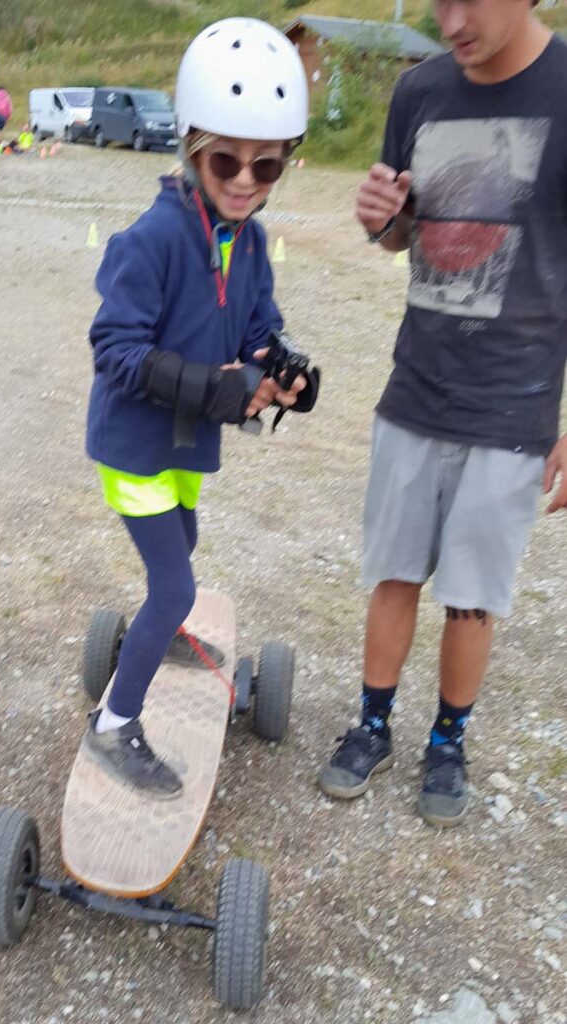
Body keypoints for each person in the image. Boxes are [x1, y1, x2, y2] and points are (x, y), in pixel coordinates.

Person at [318, 0, 567, 827]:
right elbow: (403, 233)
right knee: (392, 574)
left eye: (471, 0)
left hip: (513, 406)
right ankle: (372, 725)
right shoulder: (418, 91)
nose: (451, 21)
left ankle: (447, 742)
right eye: (438, 0)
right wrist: (382, 222)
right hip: (415, 389)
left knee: (470, 597)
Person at [83, 18, 319, 797]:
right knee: (174, 585)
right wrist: (218, 388)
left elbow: (257, 326)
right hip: (134, 445)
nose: (245, 180)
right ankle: (114, 723)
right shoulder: (150, 239)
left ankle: (164, 633)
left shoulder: (247, 241)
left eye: (266, 164)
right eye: (225, 160)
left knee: (182, 542)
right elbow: (115, 351)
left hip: (185, 444)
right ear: (190, 146)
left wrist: (280, 366)